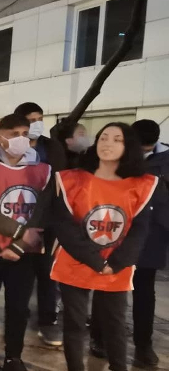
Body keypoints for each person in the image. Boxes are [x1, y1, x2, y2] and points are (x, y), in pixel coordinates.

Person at [50, 123, 162, 371]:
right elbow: (64, 226)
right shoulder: (72, 180)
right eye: (103, 138)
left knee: (115, 324)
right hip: (76, 261)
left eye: (116, 139)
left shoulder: (141, 185)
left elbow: (140, 229)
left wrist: (116, 263)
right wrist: (96, 261)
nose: (108, 143)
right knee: (74, 323)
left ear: (128, 146)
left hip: (116, 264)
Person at [0, 114, 51, 371]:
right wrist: (20, 232)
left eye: (24, 133)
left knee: (18, 308)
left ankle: (13, 356)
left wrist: (19, 245)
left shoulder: (43, 171)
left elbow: (43, 213)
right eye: (13, 134)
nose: (20, 139)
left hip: (24, 254)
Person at [12, 102, 65, 346]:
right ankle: (17, 315)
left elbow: (60, 182)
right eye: (31, 120)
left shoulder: (52, 147)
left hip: (48, 220)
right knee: (17, 272)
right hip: (16, 218)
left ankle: (47, 321)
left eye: (40, 119)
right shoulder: (12, 147)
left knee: (46, 272)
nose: (37, 124)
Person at [129, 119, 169, 368]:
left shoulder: (166, 161)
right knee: (108, 287)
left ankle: (143, 345)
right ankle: (99, 337)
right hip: (118, 230)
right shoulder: (121, 156)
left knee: (144, 290)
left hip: (152, 235)